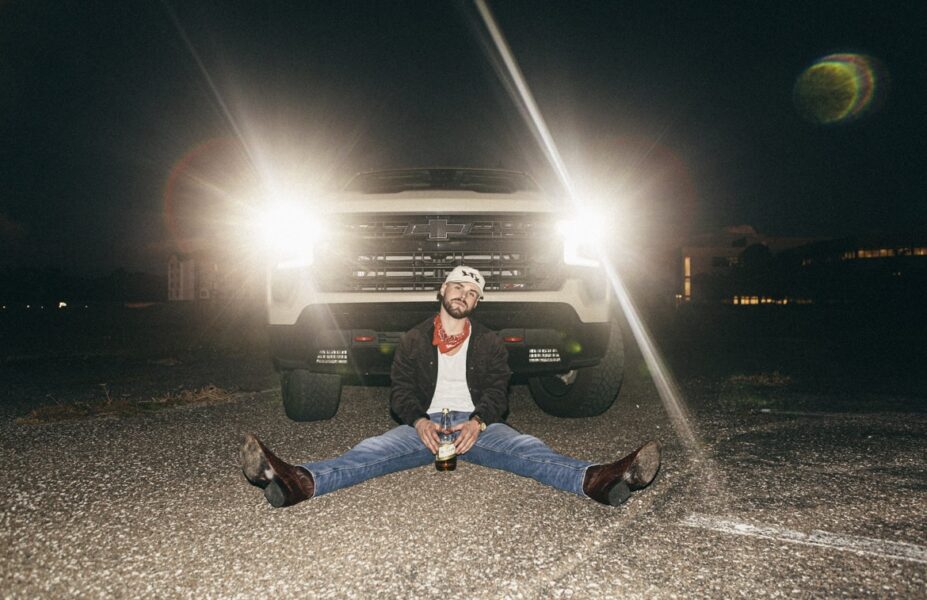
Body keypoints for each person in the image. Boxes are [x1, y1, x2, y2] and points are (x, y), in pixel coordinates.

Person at [241, 265, 661, 508]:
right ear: (442, 290)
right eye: (458, 286)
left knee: (528, 450)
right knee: (370, 453)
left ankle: (600, 480)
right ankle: (297, 482)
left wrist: (478, 423)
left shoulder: (491, 342)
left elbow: (497, 391)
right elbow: (401, 391)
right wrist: (418, 422)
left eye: (472, 292)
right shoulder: (413, 339)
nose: (463, 294)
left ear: (477, 303)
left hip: (473, 426)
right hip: (425, 425)